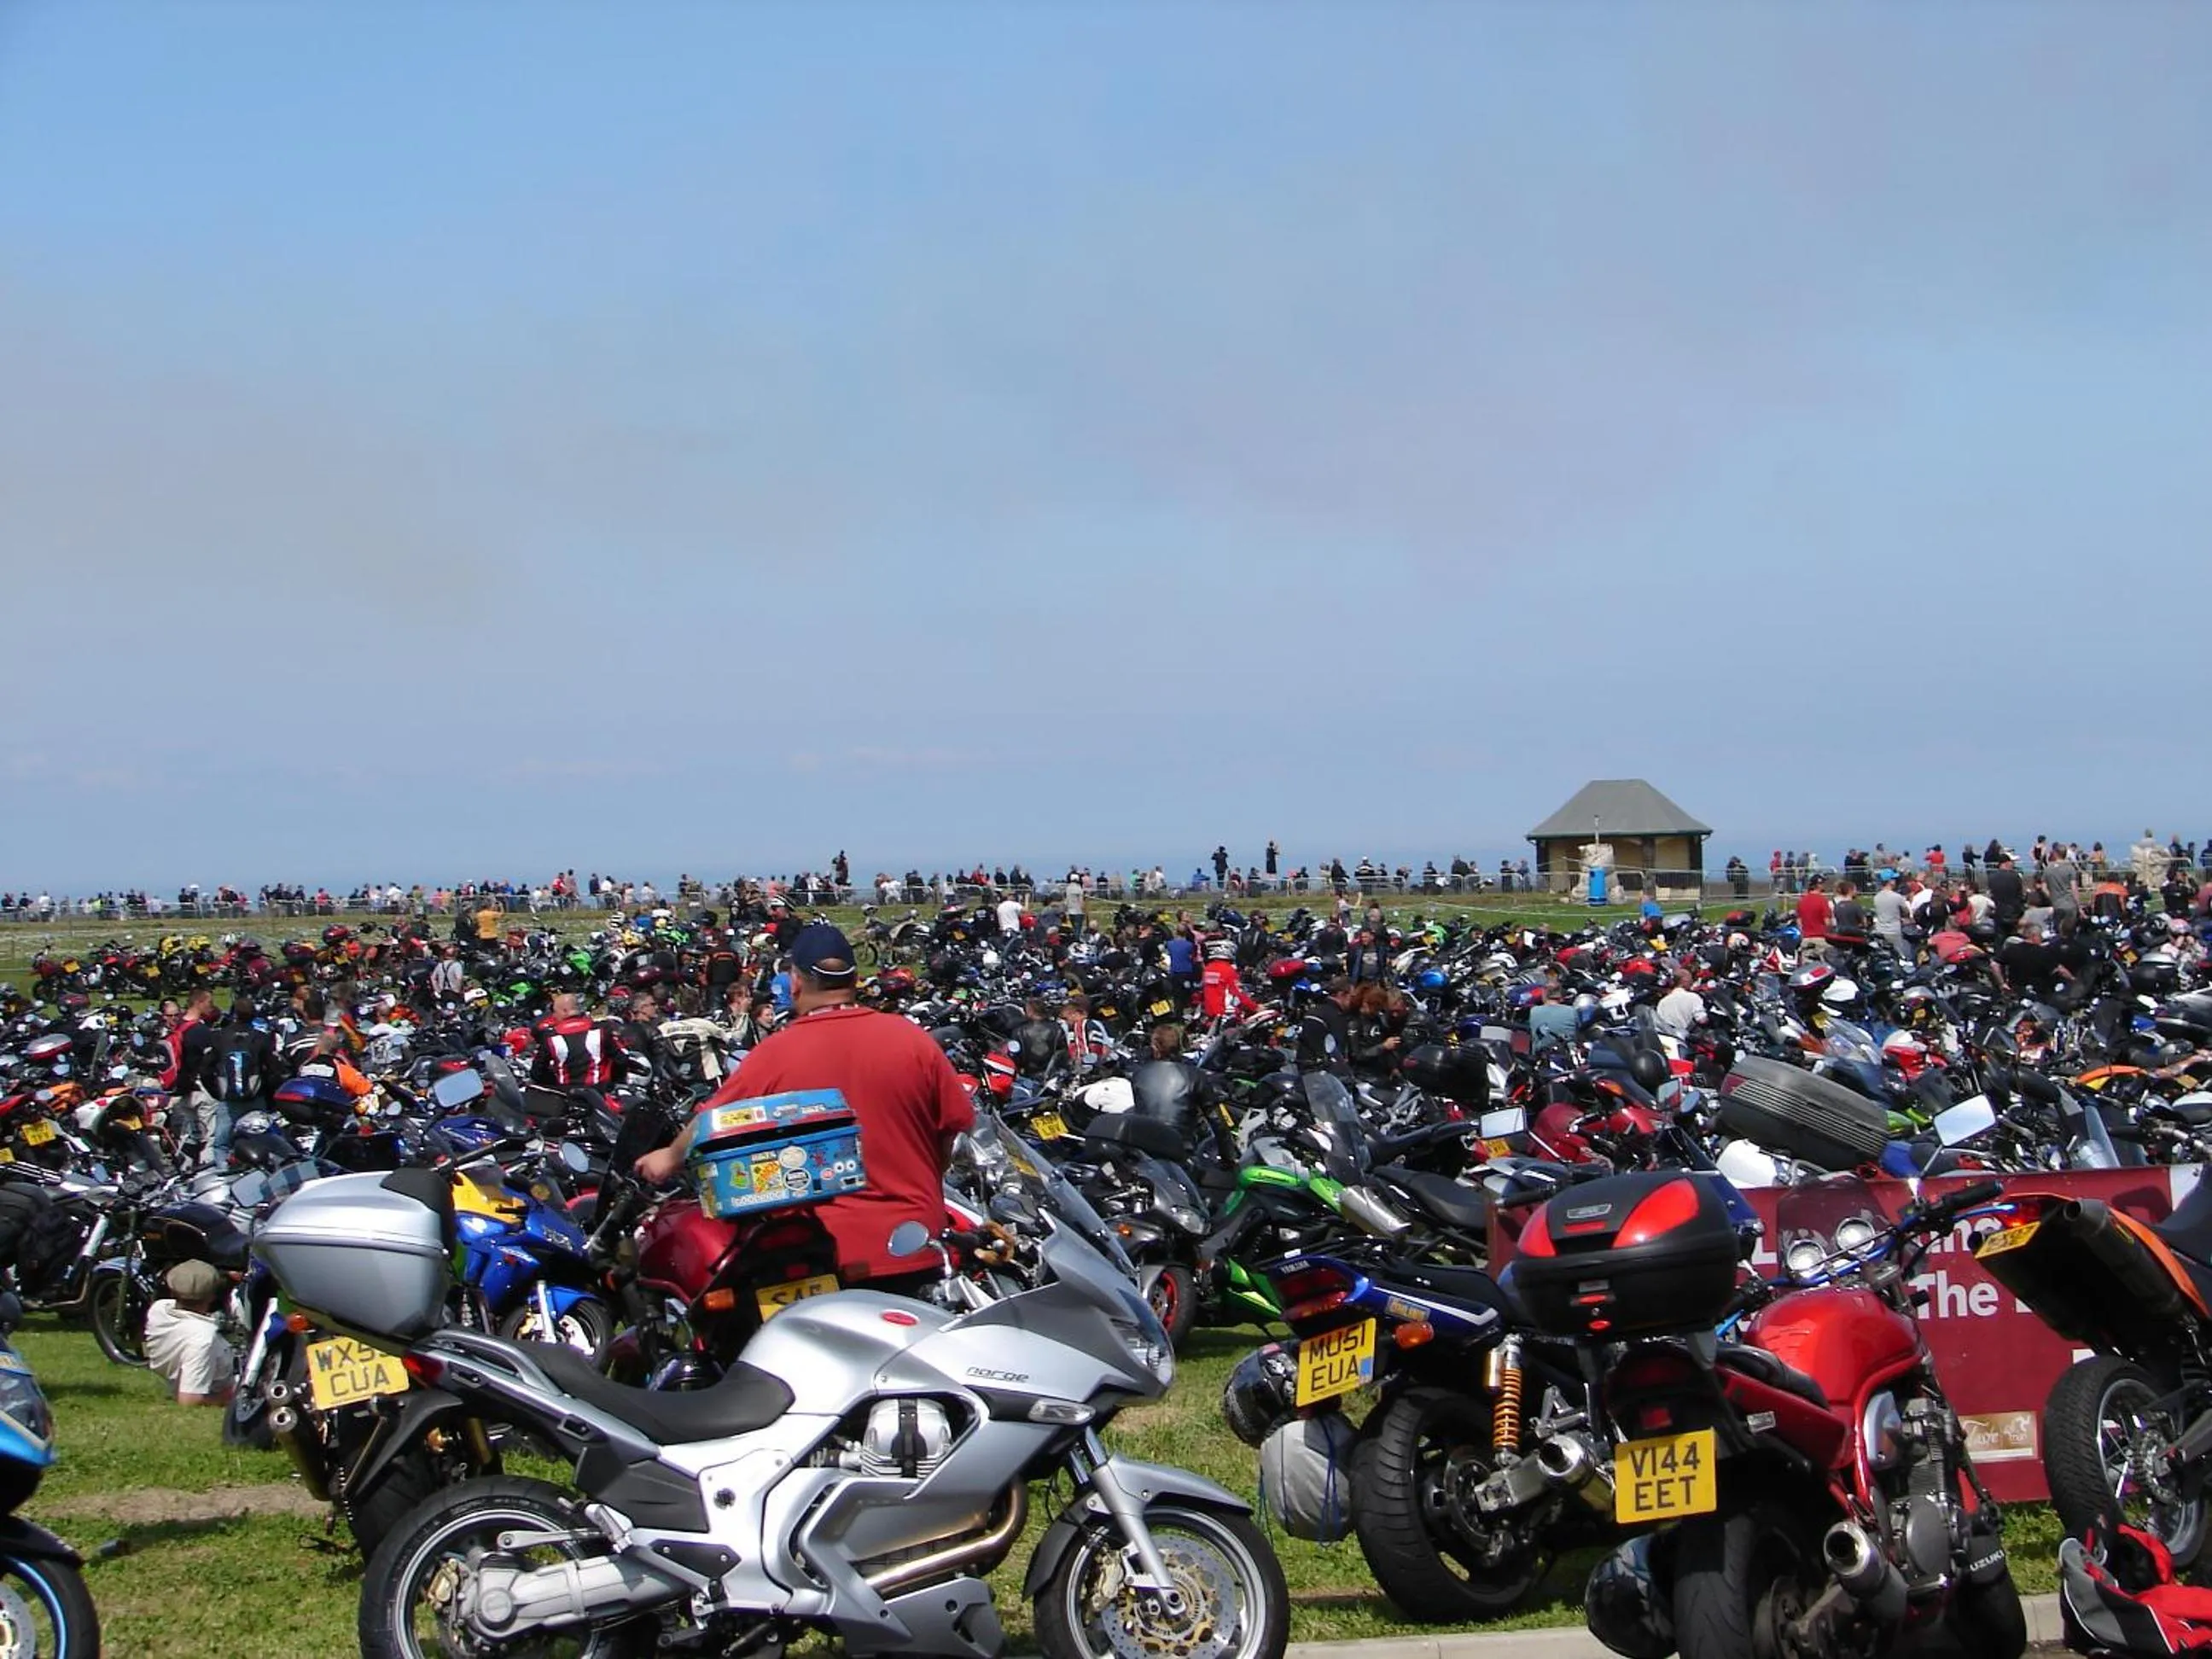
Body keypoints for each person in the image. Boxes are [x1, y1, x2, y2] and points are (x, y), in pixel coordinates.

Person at [634, 923, 973, 1290]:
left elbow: (711, 1123)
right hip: (918, 1245)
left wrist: (668, 1157)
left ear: (795, 981)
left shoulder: (774, 1054)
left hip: (828, 1255)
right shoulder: (912, 1040)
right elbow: (952, 1133)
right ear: (856, 979)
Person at [145, 1260, 236, 1406]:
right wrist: (228, 1397)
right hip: (218, 1386)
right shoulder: (203, 1337)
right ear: (212, 1296)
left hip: (176, 1374)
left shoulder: (158, 1309)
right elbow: (189, 1400)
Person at [203, 998, 278, 1169]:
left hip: (229, 1100)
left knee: (222, 1144)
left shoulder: (219, 1036)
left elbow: (206, 1070)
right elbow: (274, 1070)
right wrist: (267, 1092)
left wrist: (218, 1092)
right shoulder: (262, 1037)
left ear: (233, 1014)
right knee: (263, 1137)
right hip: (255, 1098)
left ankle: (224, 1178)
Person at [531, 992, 632, 1089]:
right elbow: (622, 1059)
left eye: (555, 1012)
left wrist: (555, 1084)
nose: (554, 1016)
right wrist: (613, 1081)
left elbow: (537, 1072)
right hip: (600, 1092)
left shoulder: (550, 1037)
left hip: (566, 1096)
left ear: (565, 1011)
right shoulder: (601, 1029)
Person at [1295, 977, 1357, 1075]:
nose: (1353, 1001)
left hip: (1304, 1070)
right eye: (1352, 997)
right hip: (1323, 1075)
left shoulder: (1315, 1011)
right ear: (1342, 994)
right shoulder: (1335, 1016)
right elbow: (1338, 1050)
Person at [1200, 939, 1257, 1022]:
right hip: (1225, 1014)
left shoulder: (1208, 969)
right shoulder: (1228, 970)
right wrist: (1255, 1007)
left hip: (1210, 1013)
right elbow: (1238, 993)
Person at [1655, 963, 1706, 1040]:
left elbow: (1659, 1024)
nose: (1692, 982)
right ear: (1684, 981)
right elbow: (1702, 1020)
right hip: (1688, 1040)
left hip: (1669, 1041)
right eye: (1691, 979)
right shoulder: (1693, 997)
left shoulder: (1662, 1002)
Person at [1796, 876, 1834, 962]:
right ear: (1819, 885)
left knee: (1808, 969)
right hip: (1820, 939)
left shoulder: (1802, 901)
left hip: (1806, 939)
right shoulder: (1822, 900)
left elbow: (1799, 922)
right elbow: (1827, 922)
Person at [1987, 854, 2027, 934]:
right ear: (2007, 863)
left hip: (1999, 912)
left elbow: (1991, 894)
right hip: (2013, 913)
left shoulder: (1992, 877)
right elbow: (2020, 894)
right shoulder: (2015, 877)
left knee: (1999, 938)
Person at [1872, 874, 1911, 956]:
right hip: (1894, 930)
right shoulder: (1897, 897)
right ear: (1890, 882)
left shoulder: (1876, 897)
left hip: (1880, 930)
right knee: (1898, 954)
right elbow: (1906, 912)